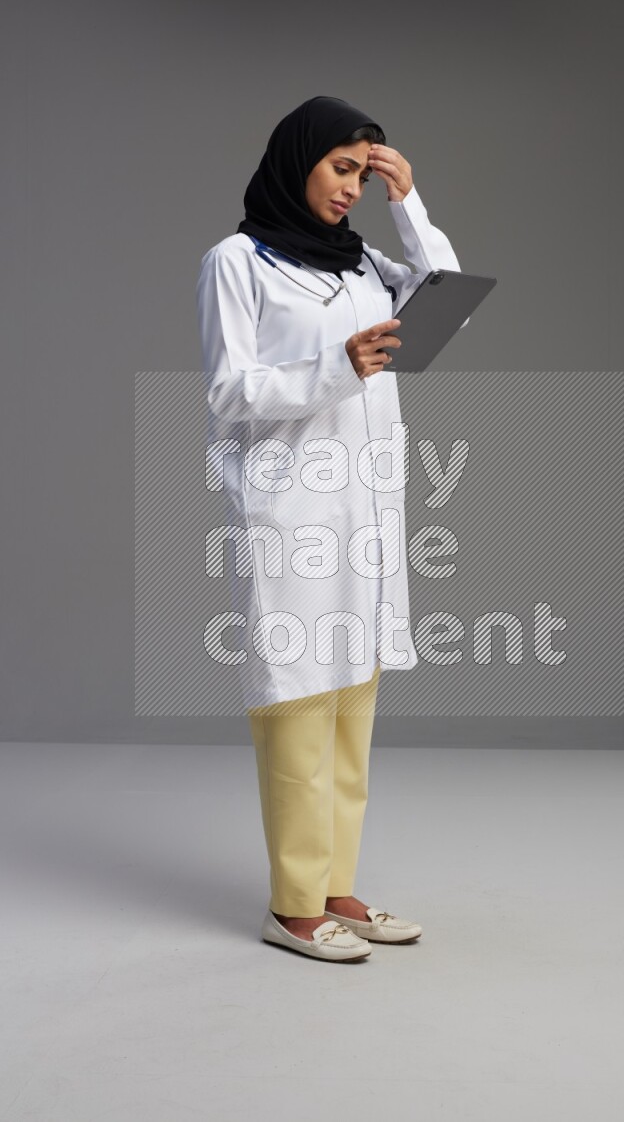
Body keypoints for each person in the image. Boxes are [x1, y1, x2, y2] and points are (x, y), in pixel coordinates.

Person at [196, 96, 464, 962]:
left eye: (364, 173)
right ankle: (293, 903)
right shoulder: (238, 262)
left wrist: (407, 202)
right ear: (298, 159)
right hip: (292, 513)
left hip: (368, 509)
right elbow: (229, 390)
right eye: (341, 168)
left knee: (353, 702)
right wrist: (335, 365)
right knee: (298, 705)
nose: (351, 187)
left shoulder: (363, 265)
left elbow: (446, 306)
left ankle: (335, 885)